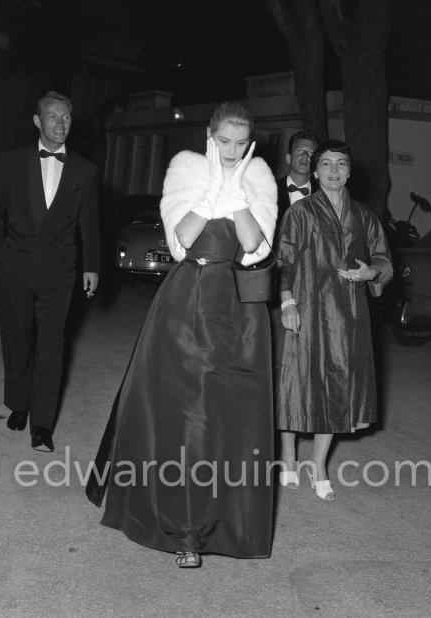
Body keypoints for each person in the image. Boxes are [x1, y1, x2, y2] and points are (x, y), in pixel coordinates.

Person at [86, 102, 277, 568]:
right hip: (185, 300)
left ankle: (224, 523)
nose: (232, 151)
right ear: (211, 136)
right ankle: (183, 532)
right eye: (224, 141)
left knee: (228, 417)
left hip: (238, 309)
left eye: (240, 142)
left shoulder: (261, 178)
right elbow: (180, 241)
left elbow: (253, 248)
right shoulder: (185, 169)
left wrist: (237, 194)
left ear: (249, 140)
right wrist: (211, 190)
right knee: (183, 414)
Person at [0, 90, 100, 453]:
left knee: (52, 344)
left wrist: (91, 267)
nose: (61, 124)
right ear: (38, 120)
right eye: (53, 117)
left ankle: (42, 425)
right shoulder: (10, 161)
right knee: (18, 340)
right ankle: (19, 403)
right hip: (15, 266)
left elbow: (90, 226)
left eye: (66, 117)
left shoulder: (85, 169)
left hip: (60, 272)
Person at [276, 139, 392, 500]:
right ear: (315, 170)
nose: (333, 171)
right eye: (326, 164)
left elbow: (383, 257)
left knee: (338, 387)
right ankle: (289, 457)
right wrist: (288, 303)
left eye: (341, 164)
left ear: (349, 171)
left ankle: (319, 465)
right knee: (298, 381)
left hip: (349, 315)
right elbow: (285, 260)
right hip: (308, 307)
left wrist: (371, 272)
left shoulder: (363, 215)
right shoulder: (300, 212)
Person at [276, 129, 319, 227]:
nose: (305, 155)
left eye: (310, 152)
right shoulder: (268, 190)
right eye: (299, 151)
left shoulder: (324, 196)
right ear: (288, 158)